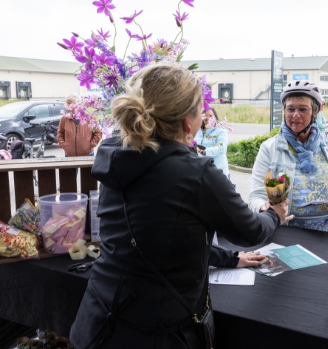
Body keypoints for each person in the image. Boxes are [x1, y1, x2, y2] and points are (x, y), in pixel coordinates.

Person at [69, 64, 293, 349]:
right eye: (200, 111)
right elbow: (249, 231)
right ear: (188, 122)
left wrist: (231, 259)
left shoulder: (117, 154)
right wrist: (275, 215)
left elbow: (162, 239)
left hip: (98, 321)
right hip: (156, 332)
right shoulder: (195, 172)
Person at [249, 80, 328, 232]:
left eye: (303, 109)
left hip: (324, 236)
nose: (295, 115)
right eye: (290, 109)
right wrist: (266, 208)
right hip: (285, 233)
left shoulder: (325, 145)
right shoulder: (269, 148)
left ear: (315, 112)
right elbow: (255, 197)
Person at [194, 107, 229, 178]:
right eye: (205, 115)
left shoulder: (221, 130)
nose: (207, 118)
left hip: (218, 171)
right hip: (202, 172)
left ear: (215, 117)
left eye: (210, 116)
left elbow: (221, 148)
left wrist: (203, 151)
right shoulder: (197, 131)